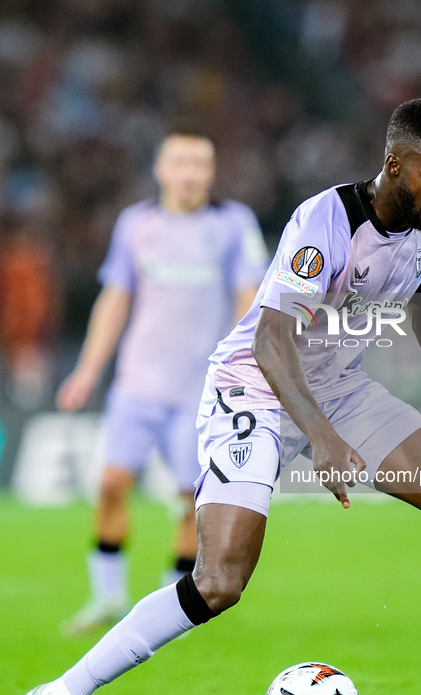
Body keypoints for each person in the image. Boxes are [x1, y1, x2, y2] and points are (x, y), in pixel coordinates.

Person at [14, 99, 421, 695]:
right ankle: (58, 694)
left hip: (339, 386)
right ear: (394, 164)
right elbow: (270, 336)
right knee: (219, 580)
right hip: (254, 386)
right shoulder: (327, 220)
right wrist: (318, 436)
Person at [56, 124, 268, 634]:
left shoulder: (234, 224)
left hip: (200, 388)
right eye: (181, 163)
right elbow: (115, 299)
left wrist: (249, 368)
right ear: (161, 169)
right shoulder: (136, 224)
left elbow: (249, 299)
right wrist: (87, 370)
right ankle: (107, 599)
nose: (190, 173)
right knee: (110, 485)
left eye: (200, 164)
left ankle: (171, 606)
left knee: (190, 501)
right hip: (137, 383)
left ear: (212, 173)